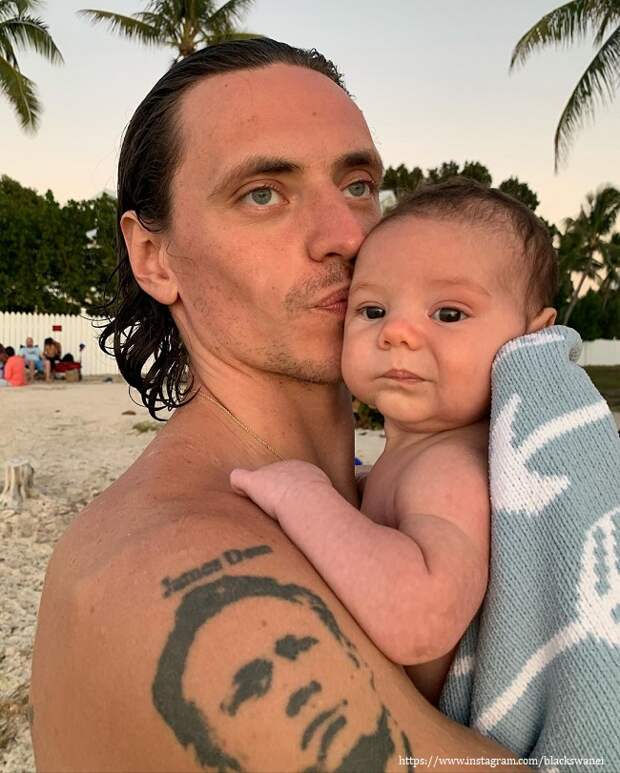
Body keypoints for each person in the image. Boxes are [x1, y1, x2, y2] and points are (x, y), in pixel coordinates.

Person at [31, 39, 523, 771]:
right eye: (263, 193)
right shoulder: (194, 580)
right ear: (155, 258)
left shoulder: (378, 501)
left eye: (357, 184)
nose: (349, 236)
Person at [230, 179, 558, 705]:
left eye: (448, 314)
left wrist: (304, 497)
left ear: (531, 338)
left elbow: (420, 619)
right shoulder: (422, 457)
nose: (396, 333)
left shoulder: (449, 469)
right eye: (373, 311)